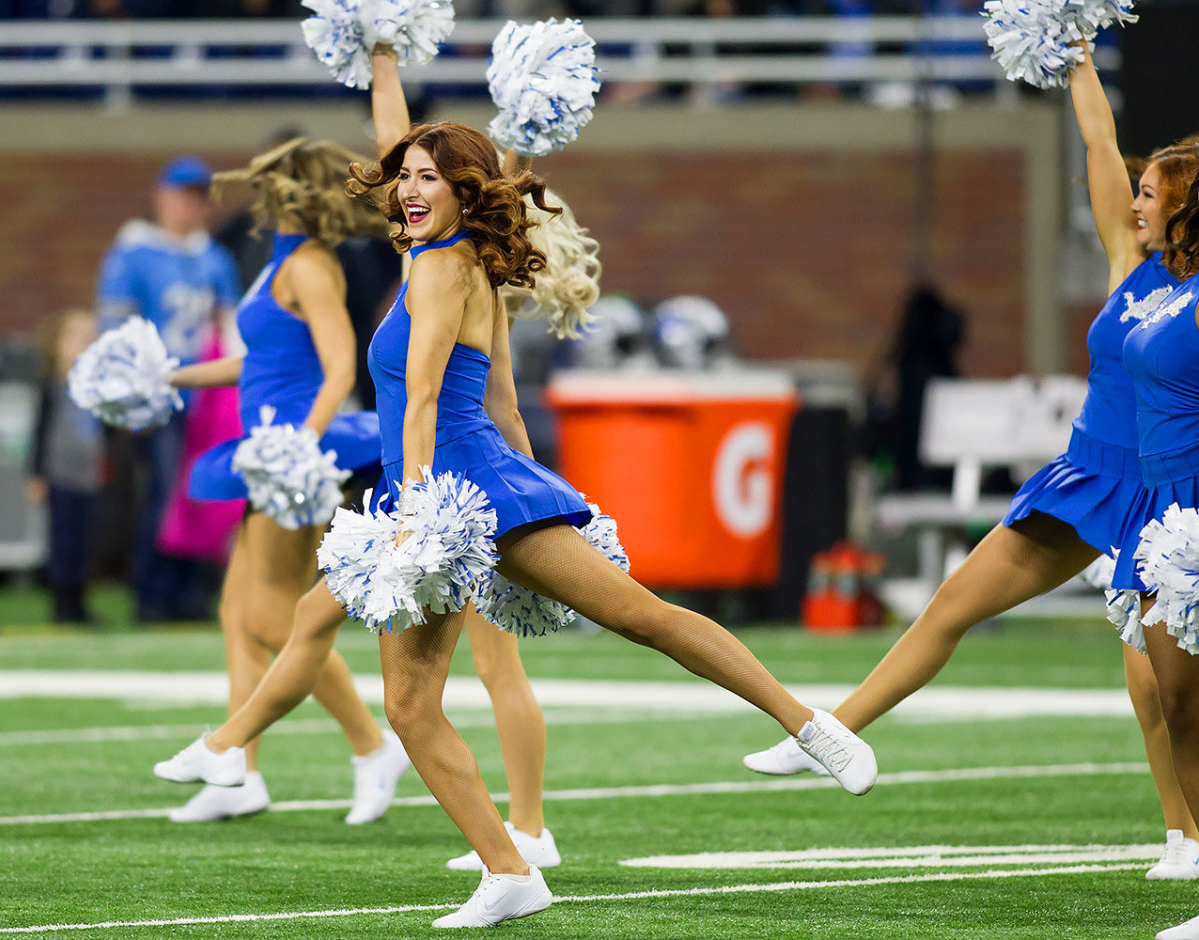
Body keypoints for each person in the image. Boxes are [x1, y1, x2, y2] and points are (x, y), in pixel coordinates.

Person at [156, 100, 877, 940]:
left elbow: (426, 397)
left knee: (638, 615)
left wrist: (419, 519)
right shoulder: (444, 257)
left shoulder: (439, 268)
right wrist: (385, 62)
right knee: (411, 705)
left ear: (466, 191)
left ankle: (811, 726)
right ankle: (508, 871)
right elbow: (503, 400)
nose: (411, 189)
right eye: (407, 178)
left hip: (457, 492)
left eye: (431, 178)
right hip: (451, 487)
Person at [742, 47, 1199, 881]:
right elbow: (1100, 148)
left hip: (1166, 495)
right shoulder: (1131, 267)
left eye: (1150, 192)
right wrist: (1079, 63)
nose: (1133, 199)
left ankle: (1185, 839)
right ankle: (832, 733)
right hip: (1090, 471)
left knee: (1158, 690)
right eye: (1133, 192)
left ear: (1185, 206)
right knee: (955, 599)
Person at [157, 138, 410, 824]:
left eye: (270, 184)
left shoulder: (310, 265)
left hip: (296, 452)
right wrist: (168, 375)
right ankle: (239, 776)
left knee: (273, 615)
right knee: (237, 616)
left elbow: (337, 369)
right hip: (264, 443)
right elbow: (256, 364)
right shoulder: (277, 265)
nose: (257, 195)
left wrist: (299, 447)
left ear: (293, 193)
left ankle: (371, 744)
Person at [96, 155, 241, 621]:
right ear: (161, 197)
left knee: (204, 492)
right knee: (162, 495)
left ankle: (190, 594)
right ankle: (155, 595)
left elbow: (229, 324)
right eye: (182, 196)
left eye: (198, 198)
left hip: (209, 399)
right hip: (161, 398)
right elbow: (114, 328)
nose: (190, 207)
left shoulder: (212, 257)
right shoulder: (134, 253)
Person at [1114, 173, 1199, 940]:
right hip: (1162, 506)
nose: (1135, 204)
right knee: (1179, 703)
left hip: (1197, 498)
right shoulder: (1173, 286)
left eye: (1151, 191)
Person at [28, 309, 104, 624]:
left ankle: (78, 603)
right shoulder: (53, 384)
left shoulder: (100, 386)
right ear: (58, 344)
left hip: (88, 475)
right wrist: (36, 474)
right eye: (77, 338)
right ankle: (62, 605)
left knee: (84, 542)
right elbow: (40, 430)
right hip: (61, 475)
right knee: (62, 541)